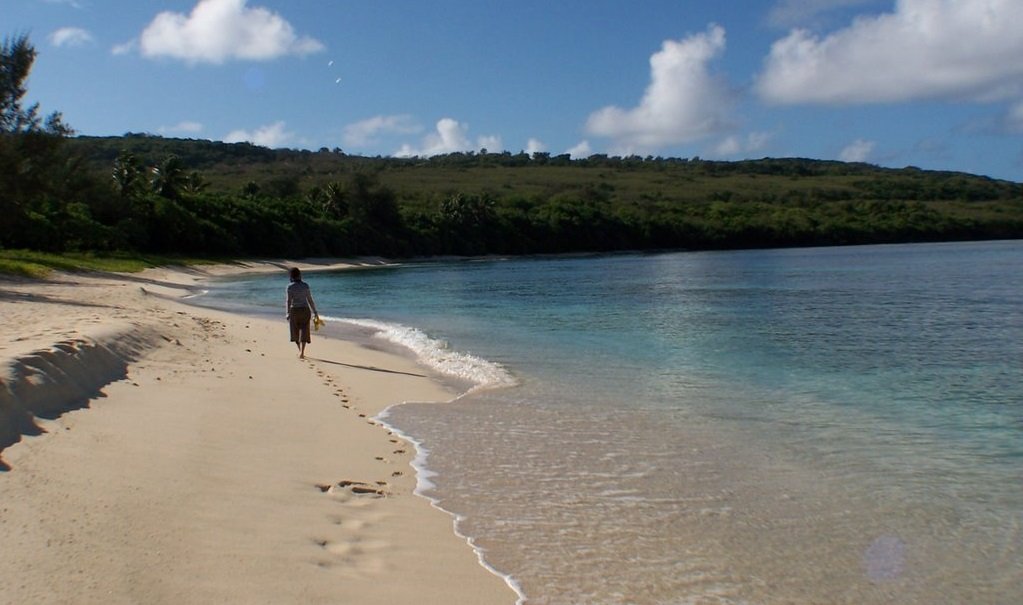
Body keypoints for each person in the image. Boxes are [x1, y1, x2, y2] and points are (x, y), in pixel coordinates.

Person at [286, 267, 320, 359]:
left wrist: (287, 313)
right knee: (305, 330)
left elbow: (289, 301)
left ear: (291, 276)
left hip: (294, 311)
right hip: (305, 310)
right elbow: (310, 300)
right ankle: (302, 352)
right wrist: (315, 311)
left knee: (295, 331)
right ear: (300, 275)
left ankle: (300, 350)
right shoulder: (305, 285)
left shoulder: (290, 287)